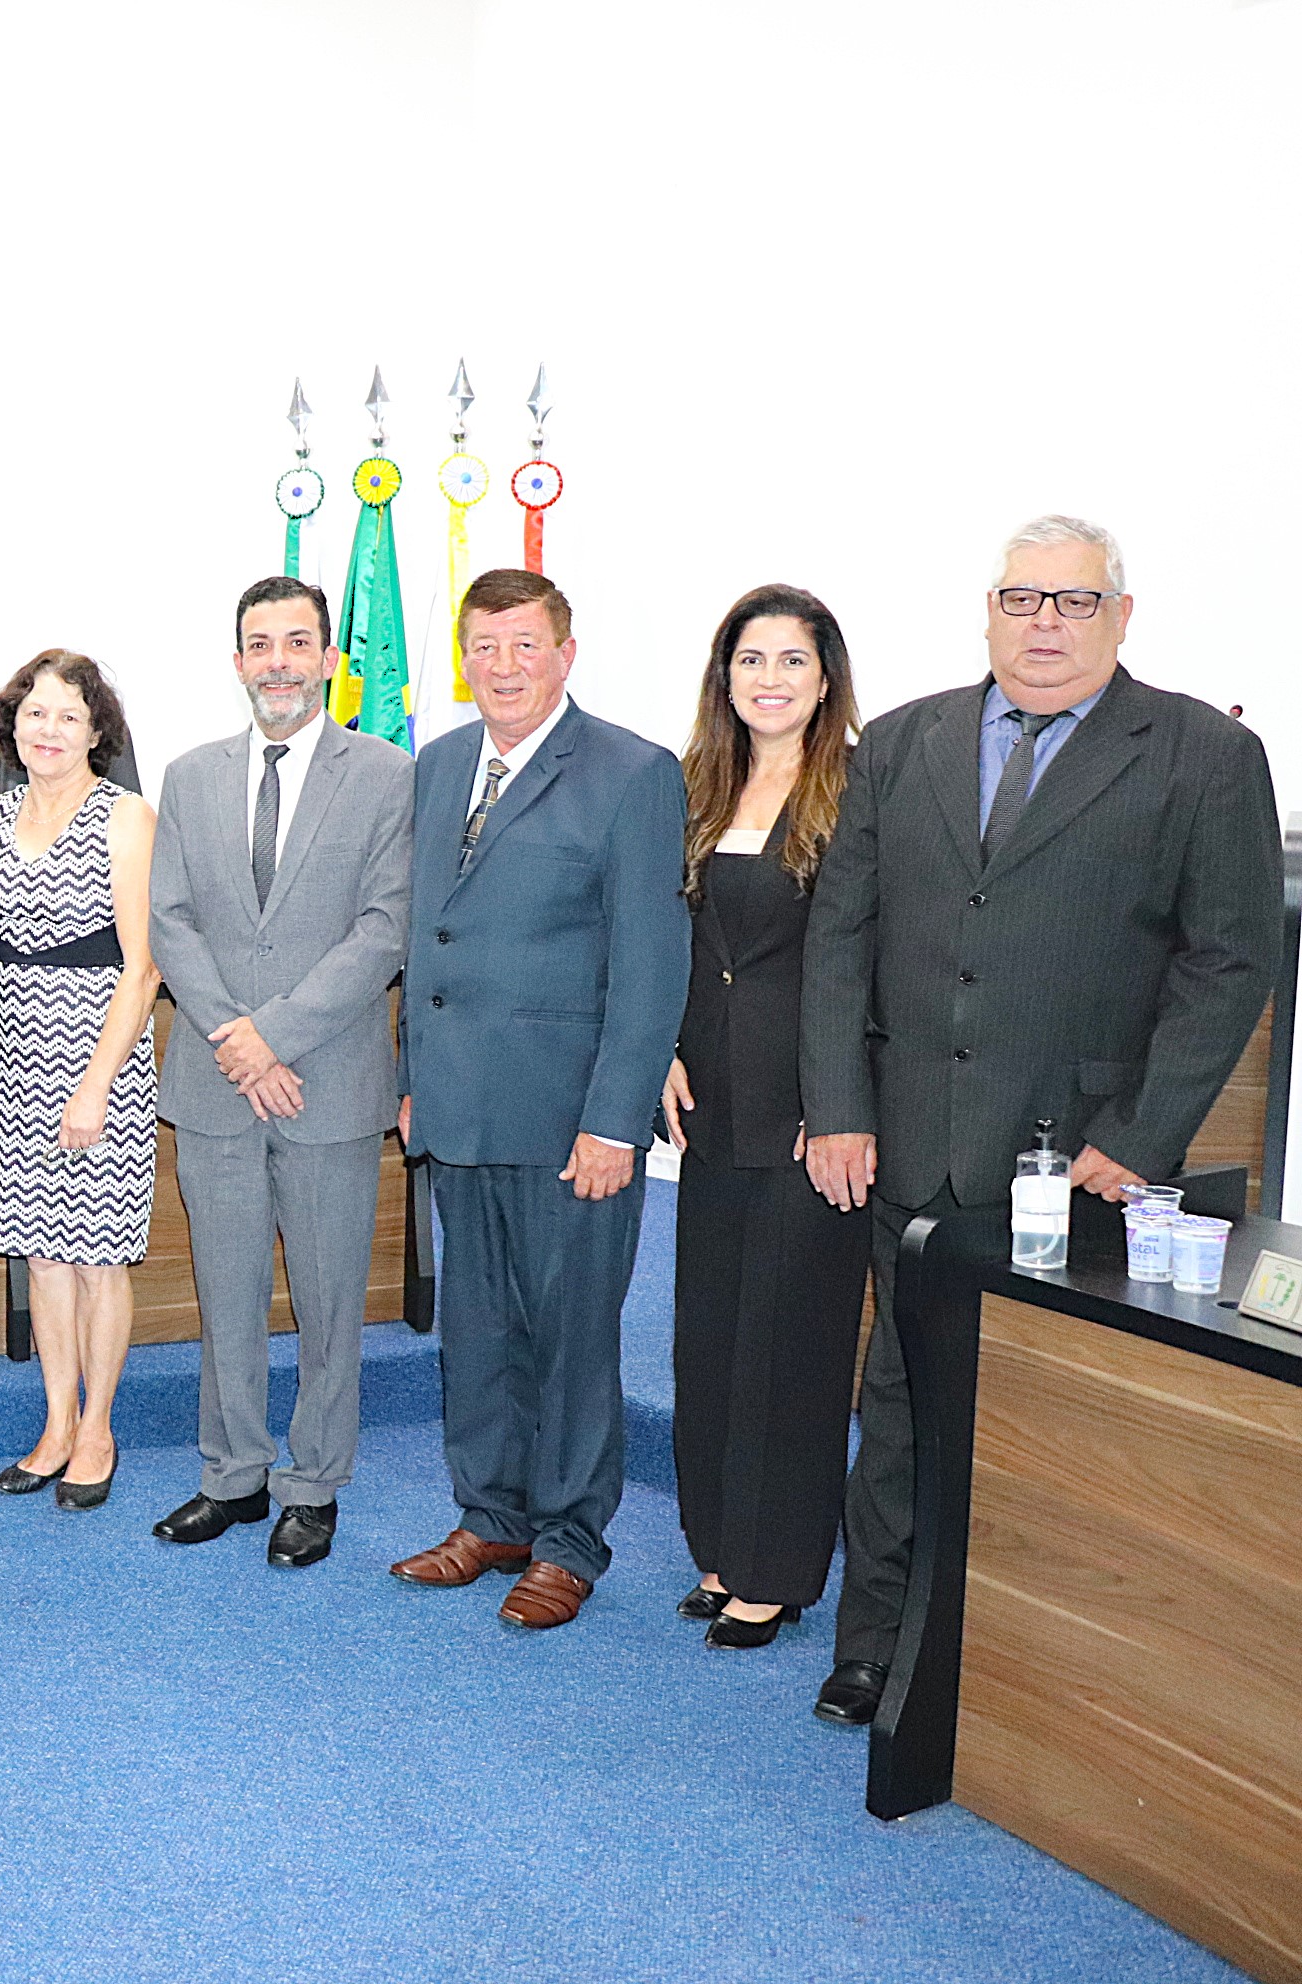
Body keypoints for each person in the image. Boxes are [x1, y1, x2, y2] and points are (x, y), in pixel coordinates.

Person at [799, 516, 1282, 1725]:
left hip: (1080, 1163)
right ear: (989, 611)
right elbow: (841, 940)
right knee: (900, 1398)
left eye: (1074, 603)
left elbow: (1230, 961)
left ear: (1122, 615)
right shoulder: (904, 742)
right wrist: (840, 1107)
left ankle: (1017, 1662)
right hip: (909, 1141)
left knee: (1044, 1417)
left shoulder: (1200, 757)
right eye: (1024, 600)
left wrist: (1144, 1131)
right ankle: (876, 1643)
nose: (1045, 625)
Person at [392, 568, 689, 1630]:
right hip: (458, 1109)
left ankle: (568, 1540)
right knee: (474, 1331)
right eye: (484, 646)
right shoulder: (434, 767)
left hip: (574, 1124)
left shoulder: (632, 773)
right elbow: (425, 937)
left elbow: (653, 970)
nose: (502, 667)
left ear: (566, 652)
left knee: (571, 1339)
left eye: (524, 646)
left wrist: (618, 1118)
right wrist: (413, 1081)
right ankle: (493, 1514)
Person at [146, 578, 412, 1565]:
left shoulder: (386, 775)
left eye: (297, 643)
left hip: (327, 1079)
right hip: (218, 1079)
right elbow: (169, 918)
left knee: (330, 1295)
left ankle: (314, 1481)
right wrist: (235, 1036)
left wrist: (279, 1035)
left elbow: (385, 926)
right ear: (237, 660)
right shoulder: (189, 774)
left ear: (331, 658)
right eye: (260, 644)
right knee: (227, 1290)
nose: (279, 663)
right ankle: (233, 1473)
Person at [659, 586, 869, 1650]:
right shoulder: (700, 784)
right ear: (725, 674)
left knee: (792, 1345)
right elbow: (672, 942)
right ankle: (719, 1541)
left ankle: (778, 1565)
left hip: (806, 1116)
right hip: (711, 1107)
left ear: (825, 677)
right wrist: (661, 1055)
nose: (770, 679)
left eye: (793, 660)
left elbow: (874, 965)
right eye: (752, 659)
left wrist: (837, 1101)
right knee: (710, 1335)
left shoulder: (857, 789)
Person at [0, 651, 160, 1511]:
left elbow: (144, 965)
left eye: (67, 718)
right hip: (13, 1049)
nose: (48, 731)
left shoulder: (125, 817)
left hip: (97, 1050)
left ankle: (99, 1428)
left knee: (97, 1259)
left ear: (96, 733)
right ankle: (53, 1423)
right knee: (43, 1257)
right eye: (35, 714)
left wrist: (95, 1083)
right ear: (15, 725)